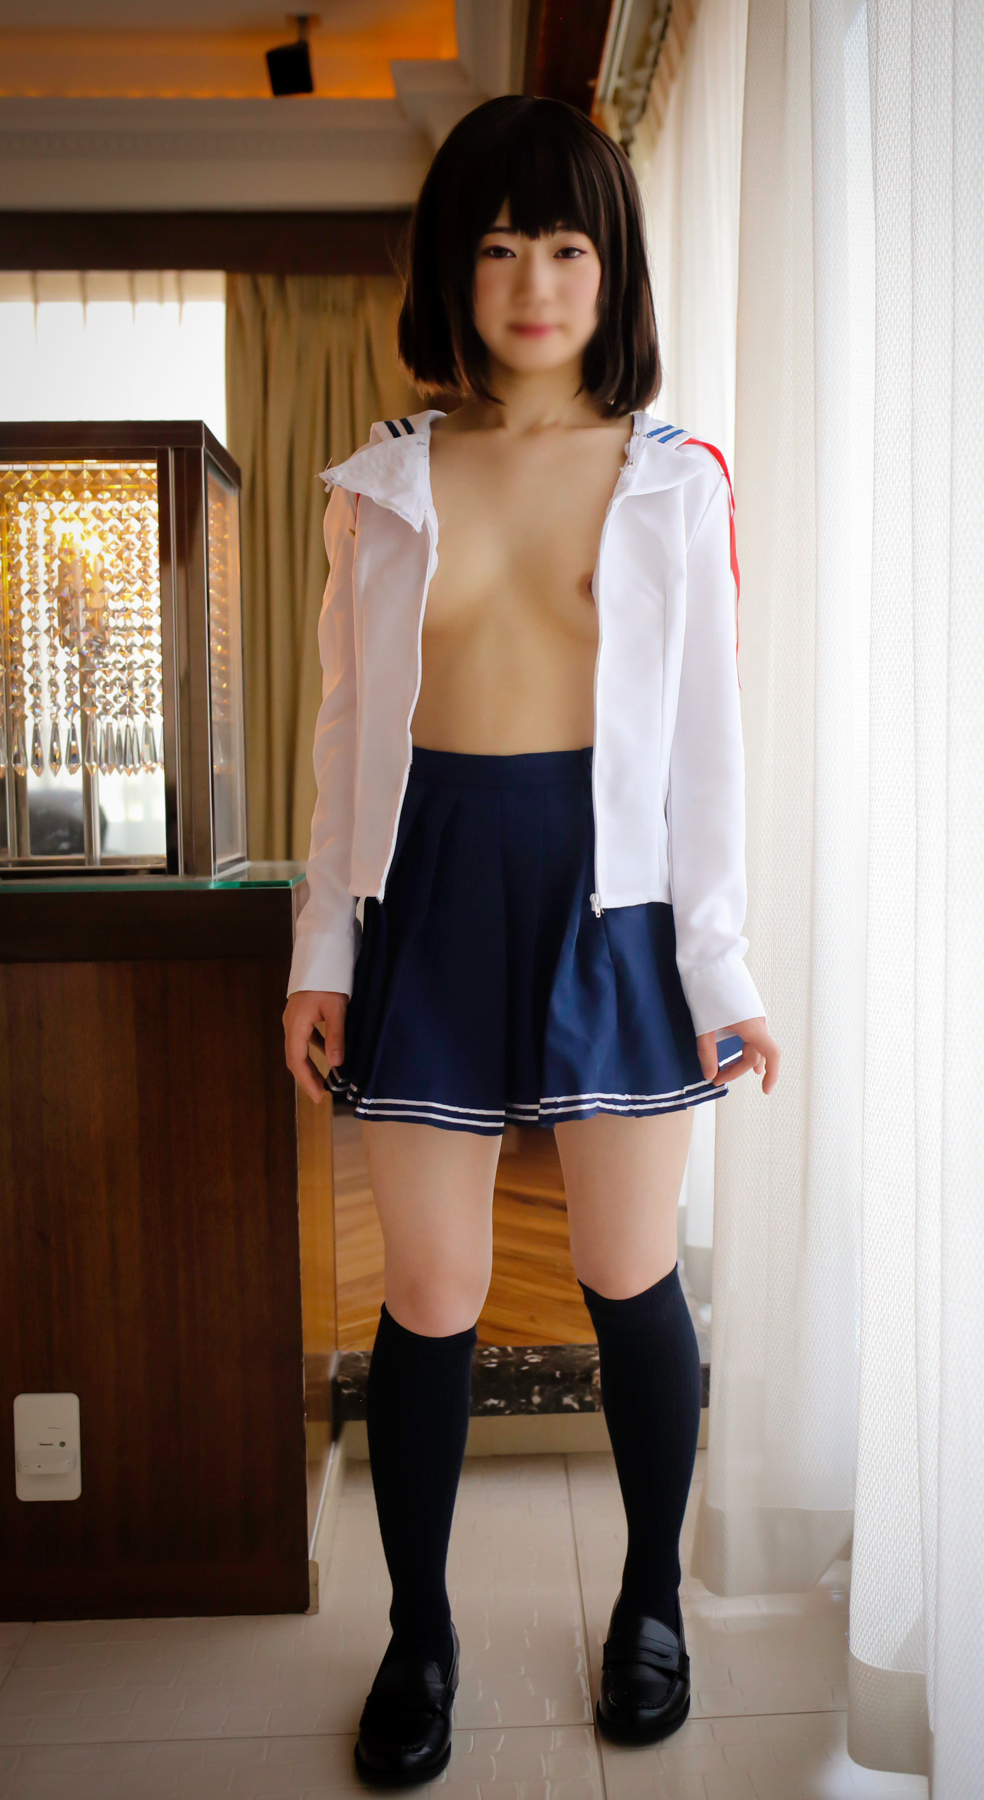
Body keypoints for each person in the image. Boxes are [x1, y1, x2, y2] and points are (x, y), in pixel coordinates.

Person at [282, 94, 780, 1788]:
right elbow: (345, 736)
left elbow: (708, 751)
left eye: (568, 246)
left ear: (612, 268)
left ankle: (651, 1603)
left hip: (612, 900)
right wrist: (322, 957)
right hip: (426, 892)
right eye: (498, 247)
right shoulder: (380, 483)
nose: (535, 282)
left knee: (629, 1276)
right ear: (452, 270)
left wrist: (722, 970)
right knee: (430, 1292)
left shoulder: (673, 480)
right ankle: (418, 1636)